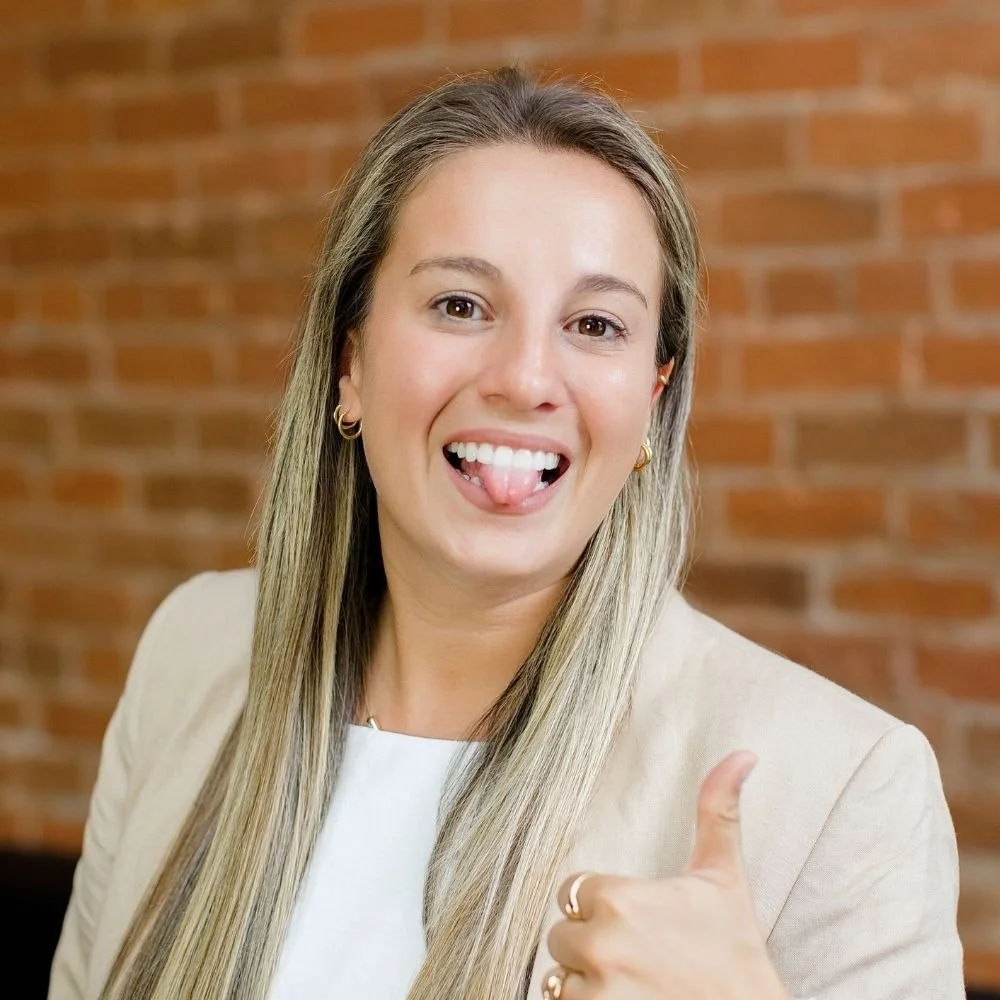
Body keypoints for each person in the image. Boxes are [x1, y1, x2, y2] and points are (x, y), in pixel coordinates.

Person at [48, 67, 963, 1000]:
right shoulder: (190, 654)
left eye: (596, 324)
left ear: (653, 396)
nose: (526, 378)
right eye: (460, 305)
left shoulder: (844, 786)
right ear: (350, 361)